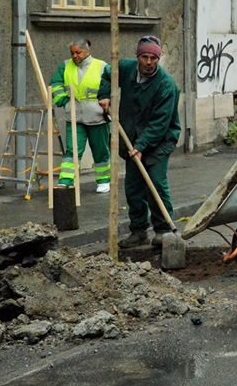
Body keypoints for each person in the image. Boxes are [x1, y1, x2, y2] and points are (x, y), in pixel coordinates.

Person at [99, 36, 181, 248]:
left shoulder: (166, 85)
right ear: (138, 57)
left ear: (158, 59)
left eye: (153, 58)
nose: (149, 62)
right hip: (132, 136)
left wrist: (142, 146)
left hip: (160, 140)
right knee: (133, 185)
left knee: (155, 182)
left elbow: (160, 123)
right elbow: (107, 74)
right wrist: (105, 95)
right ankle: (139, 230)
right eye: (145, 57)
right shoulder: (126, 68)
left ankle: (163, 231)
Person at [50, 38, 112, 193]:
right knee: (72, 151)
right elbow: (56, 84)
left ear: (87, 51)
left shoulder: (102, 66)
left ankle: (104, 181)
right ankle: (65, 181)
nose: (75, 56)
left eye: (78, 52)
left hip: (98, 116)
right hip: (75, 116)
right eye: (72, 53)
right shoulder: (65, 66)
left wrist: (109, 101)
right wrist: (64, 102)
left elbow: (113, 84)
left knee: (100, 150)